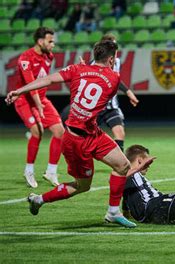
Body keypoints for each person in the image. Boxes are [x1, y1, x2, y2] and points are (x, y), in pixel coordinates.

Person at [5, 40, 153, 228]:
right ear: (111, 58)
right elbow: (102, 92)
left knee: (123, 165)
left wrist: (19, 91)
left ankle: (113, 212)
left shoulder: (77, 69)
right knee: (83, 185)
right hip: (76, 141)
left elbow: (48, 79)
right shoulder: (114, 78)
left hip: (92, 133)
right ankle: (39, 199)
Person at [61, 33, 139, 152]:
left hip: (111, 107)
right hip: (96, 107)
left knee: (120, 133)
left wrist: (128, 92)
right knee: (85, 137)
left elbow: (116, 79)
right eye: (113, 45)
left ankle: (118, 164)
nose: (115, 48)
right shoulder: (93, 64)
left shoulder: (116, 61)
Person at [13, 27, 64, 188]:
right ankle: (29, 170)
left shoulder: (49, 56)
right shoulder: (25, 58)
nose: (53, 44)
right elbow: (31, 85)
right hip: (24, 100)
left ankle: (51, 171)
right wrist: (38, 107)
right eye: (50, 41)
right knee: (37, 131)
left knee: (60, 131)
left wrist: (41, 105)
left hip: (41, 99)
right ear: (40, 41)